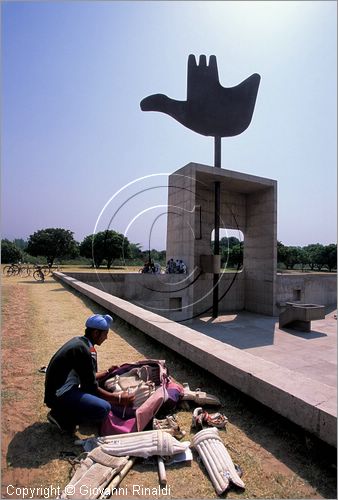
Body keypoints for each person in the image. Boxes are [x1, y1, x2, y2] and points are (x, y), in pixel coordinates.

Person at [44, 314, 134, 433]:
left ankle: (64, 411)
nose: (106, 338)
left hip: (56, 392)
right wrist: (118, 399)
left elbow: (87, 377)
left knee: (100, 393)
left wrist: (107, 372)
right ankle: (61, 417)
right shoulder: (83, 351)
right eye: (105, 334)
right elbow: (90, 387)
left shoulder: (80, 343)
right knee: (104, 408)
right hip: (59, 395)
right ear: (96, 333)